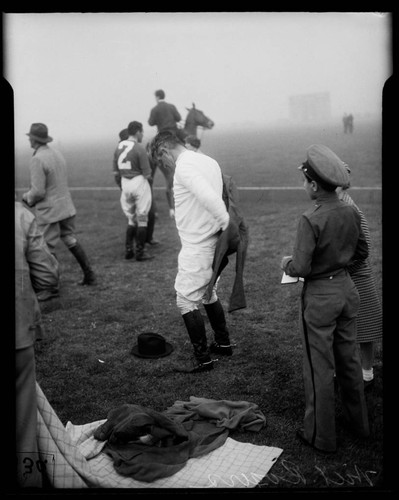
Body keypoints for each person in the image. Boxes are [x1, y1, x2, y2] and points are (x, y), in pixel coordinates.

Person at [280, 144, 370, 453]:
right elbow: (362, 252)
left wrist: (287, 264)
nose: (303, 186)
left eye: (304, 181)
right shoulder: (350, 209)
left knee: (319, 367)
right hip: (346, 290)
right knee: (349, 360)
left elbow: (302, 267)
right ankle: (361, 425)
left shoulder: (311, 218)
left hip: (320, 297)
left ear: (314, 185)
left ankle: (321, 436)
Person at [150, 131, 233, 374]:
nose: (163, 165)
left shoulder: (184, 167)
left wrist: (227, 226)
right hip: (213, 241)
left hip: (199, 244)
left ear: (164, 150)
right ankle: (224, 343)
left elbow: (211, 198)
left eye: (160, 159)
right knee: (209, 293)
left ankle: (203, 358)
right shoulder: (207, 160)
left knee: (185, 299)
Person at [15, 200, 59, 487]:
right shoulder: (20, 216)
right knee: (23, 421)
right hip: (17, 331)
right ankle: (28, 480)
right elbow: (46, 275)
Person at [22, 123, 96, 287]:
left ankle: (50, 287)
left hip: (50, 212)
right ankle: (89, 274)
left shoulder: (37, 159)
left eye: (30, 138)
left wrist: (26, 197)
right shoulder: (57, 153)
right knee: (69, 238)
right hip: (66, 207)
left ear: (33, 140)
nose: (29, 141)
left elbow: (38, 192)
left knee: (46, 248)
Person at [337, 166, 382, 390]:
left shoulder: (347, 206)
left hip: (356, 273)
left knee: (365, 326)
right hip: (342, 273)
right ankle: (343, 371)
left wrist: (337, 266)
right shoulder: (335, 204)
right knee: (340, 326)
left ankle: (367, 375)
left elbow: (363, 248)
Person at [113, 121, 154, 261]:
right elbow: (148, 174)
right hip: (138, 183)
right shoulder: (139, 148)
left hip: (125, 184)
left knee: (131, 220)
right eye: (142, 132)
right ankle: (140, 252)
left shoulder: (118, 146)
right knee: (142, 218)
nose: (143, 135)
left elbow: (115, 172)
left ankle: (128, 249)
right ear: (137, 132)